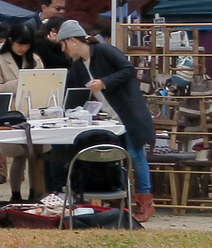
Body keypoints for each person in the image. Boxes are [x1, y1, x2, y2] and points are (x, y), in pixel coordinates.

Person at [56, 19, 157, 221]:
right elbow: (76, 92)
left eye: (63, 44)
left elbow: (129, 70)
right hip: (109, 117)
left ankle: (145, 203)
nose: (63, 49)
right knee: (112, 156)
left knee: (136, 156)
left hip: (128, 112)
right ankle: (117, 200)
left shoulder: (103, 50)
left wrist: (104, 82)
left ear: (73, 40)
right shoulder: (78, 66)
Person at [0, 23, 40, 203]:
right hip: (9, 114)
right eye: (19, 44)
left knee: (36, 155)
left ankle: (35, 192)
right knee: (18, 155)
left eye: (26, 45)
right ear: (10, 41)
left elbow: (42, 83)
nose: (23, 48)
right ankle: (15, 194)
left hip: (32, 112)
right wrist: (20, 82)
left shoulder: (35, 60)